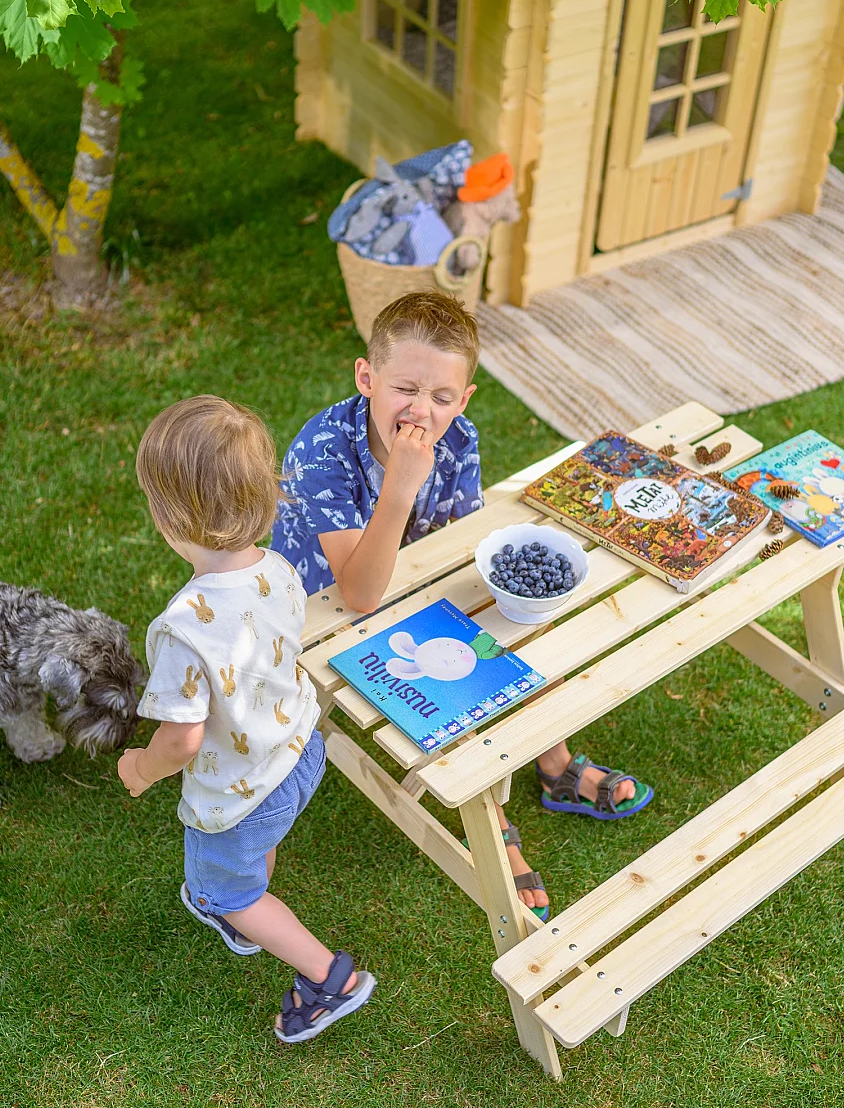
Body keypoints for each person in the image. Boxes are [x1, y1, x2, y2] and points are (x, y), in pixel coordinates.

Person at [272, 291, 654, 922]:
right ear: (366, 377)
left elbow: (454, 542)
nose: (422, 411)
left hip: (414, 578)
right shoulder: (323, 451)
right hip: (326, 610)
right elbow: (359, 596)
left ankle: (552, 759)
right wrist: (400, 483)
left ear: (465, 399)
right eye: (405, 389)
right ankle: (493, 810)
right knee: (449, 662)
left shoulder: (460, 438)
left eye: (442, 398)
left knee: (508, 619)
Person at [119, 395, 376, 1043]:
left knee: (226, 887)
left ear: (167, 514)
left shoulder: (183, 625)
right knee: (259, 844)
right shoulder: (279, 569)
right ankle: (247, 892)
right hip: (301, 752)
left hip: (239, 795)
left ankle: (328, 976)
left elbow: (181, 737)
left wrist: (140, 768)